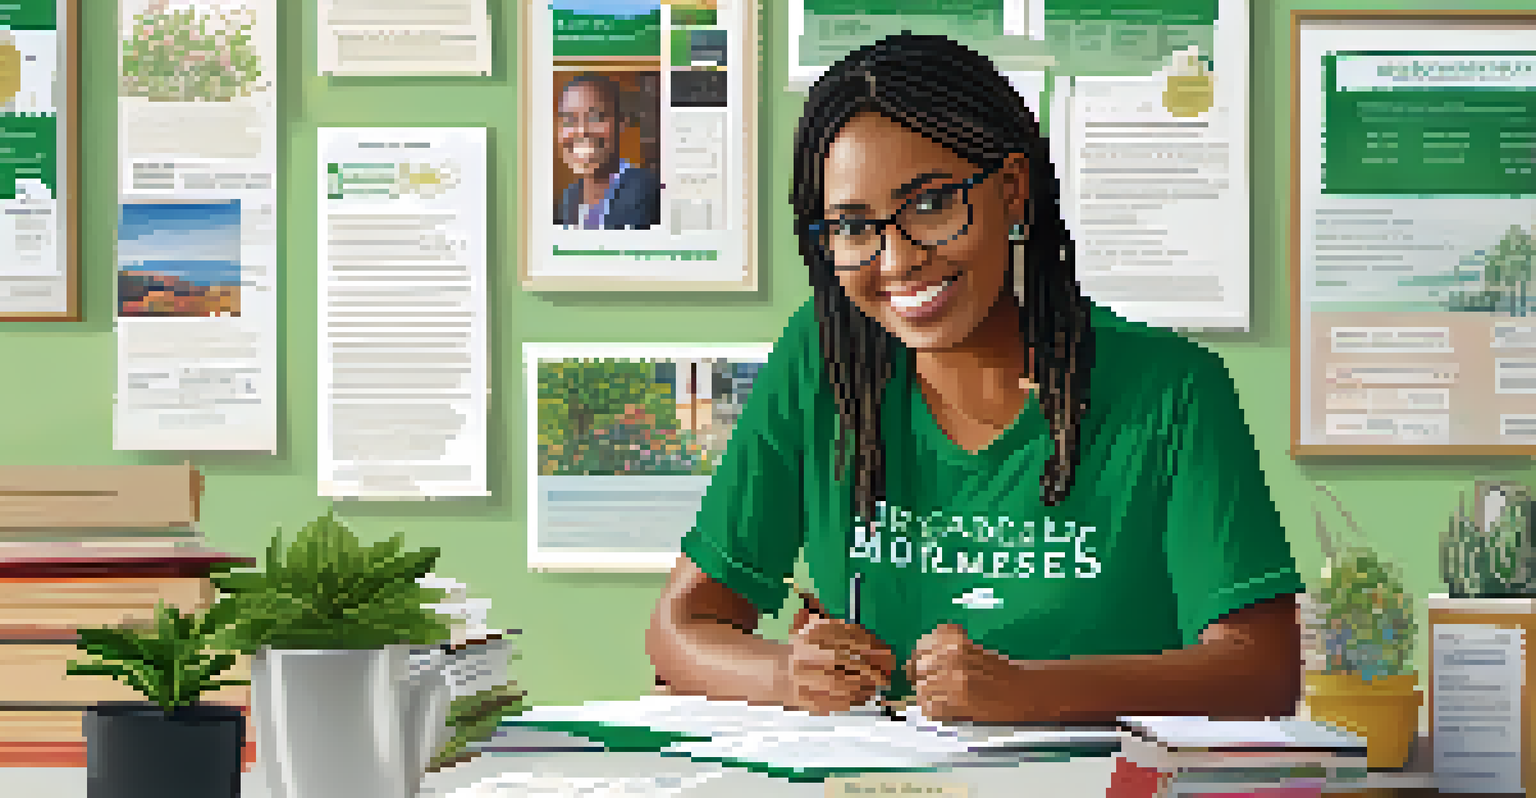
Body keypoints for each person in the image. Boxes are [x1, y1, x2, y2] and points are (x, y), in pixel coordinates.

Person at [646, 33, 1305, 724]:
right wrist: (787, 672)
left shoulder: (1172, 390)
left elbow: (1262, 671)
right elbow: (678, 629)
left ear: (1012, 191)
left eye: (931, 204)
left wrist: (1034, 693)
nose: (896, 260)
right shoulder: (821, 361)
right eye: (853, 226)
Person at [554, 73, 660, 230]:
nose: (582, 132)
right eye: (570, 120)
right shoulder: (570, 197)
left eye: (595, 118)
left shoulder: (648, 192)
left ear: (621, 123)